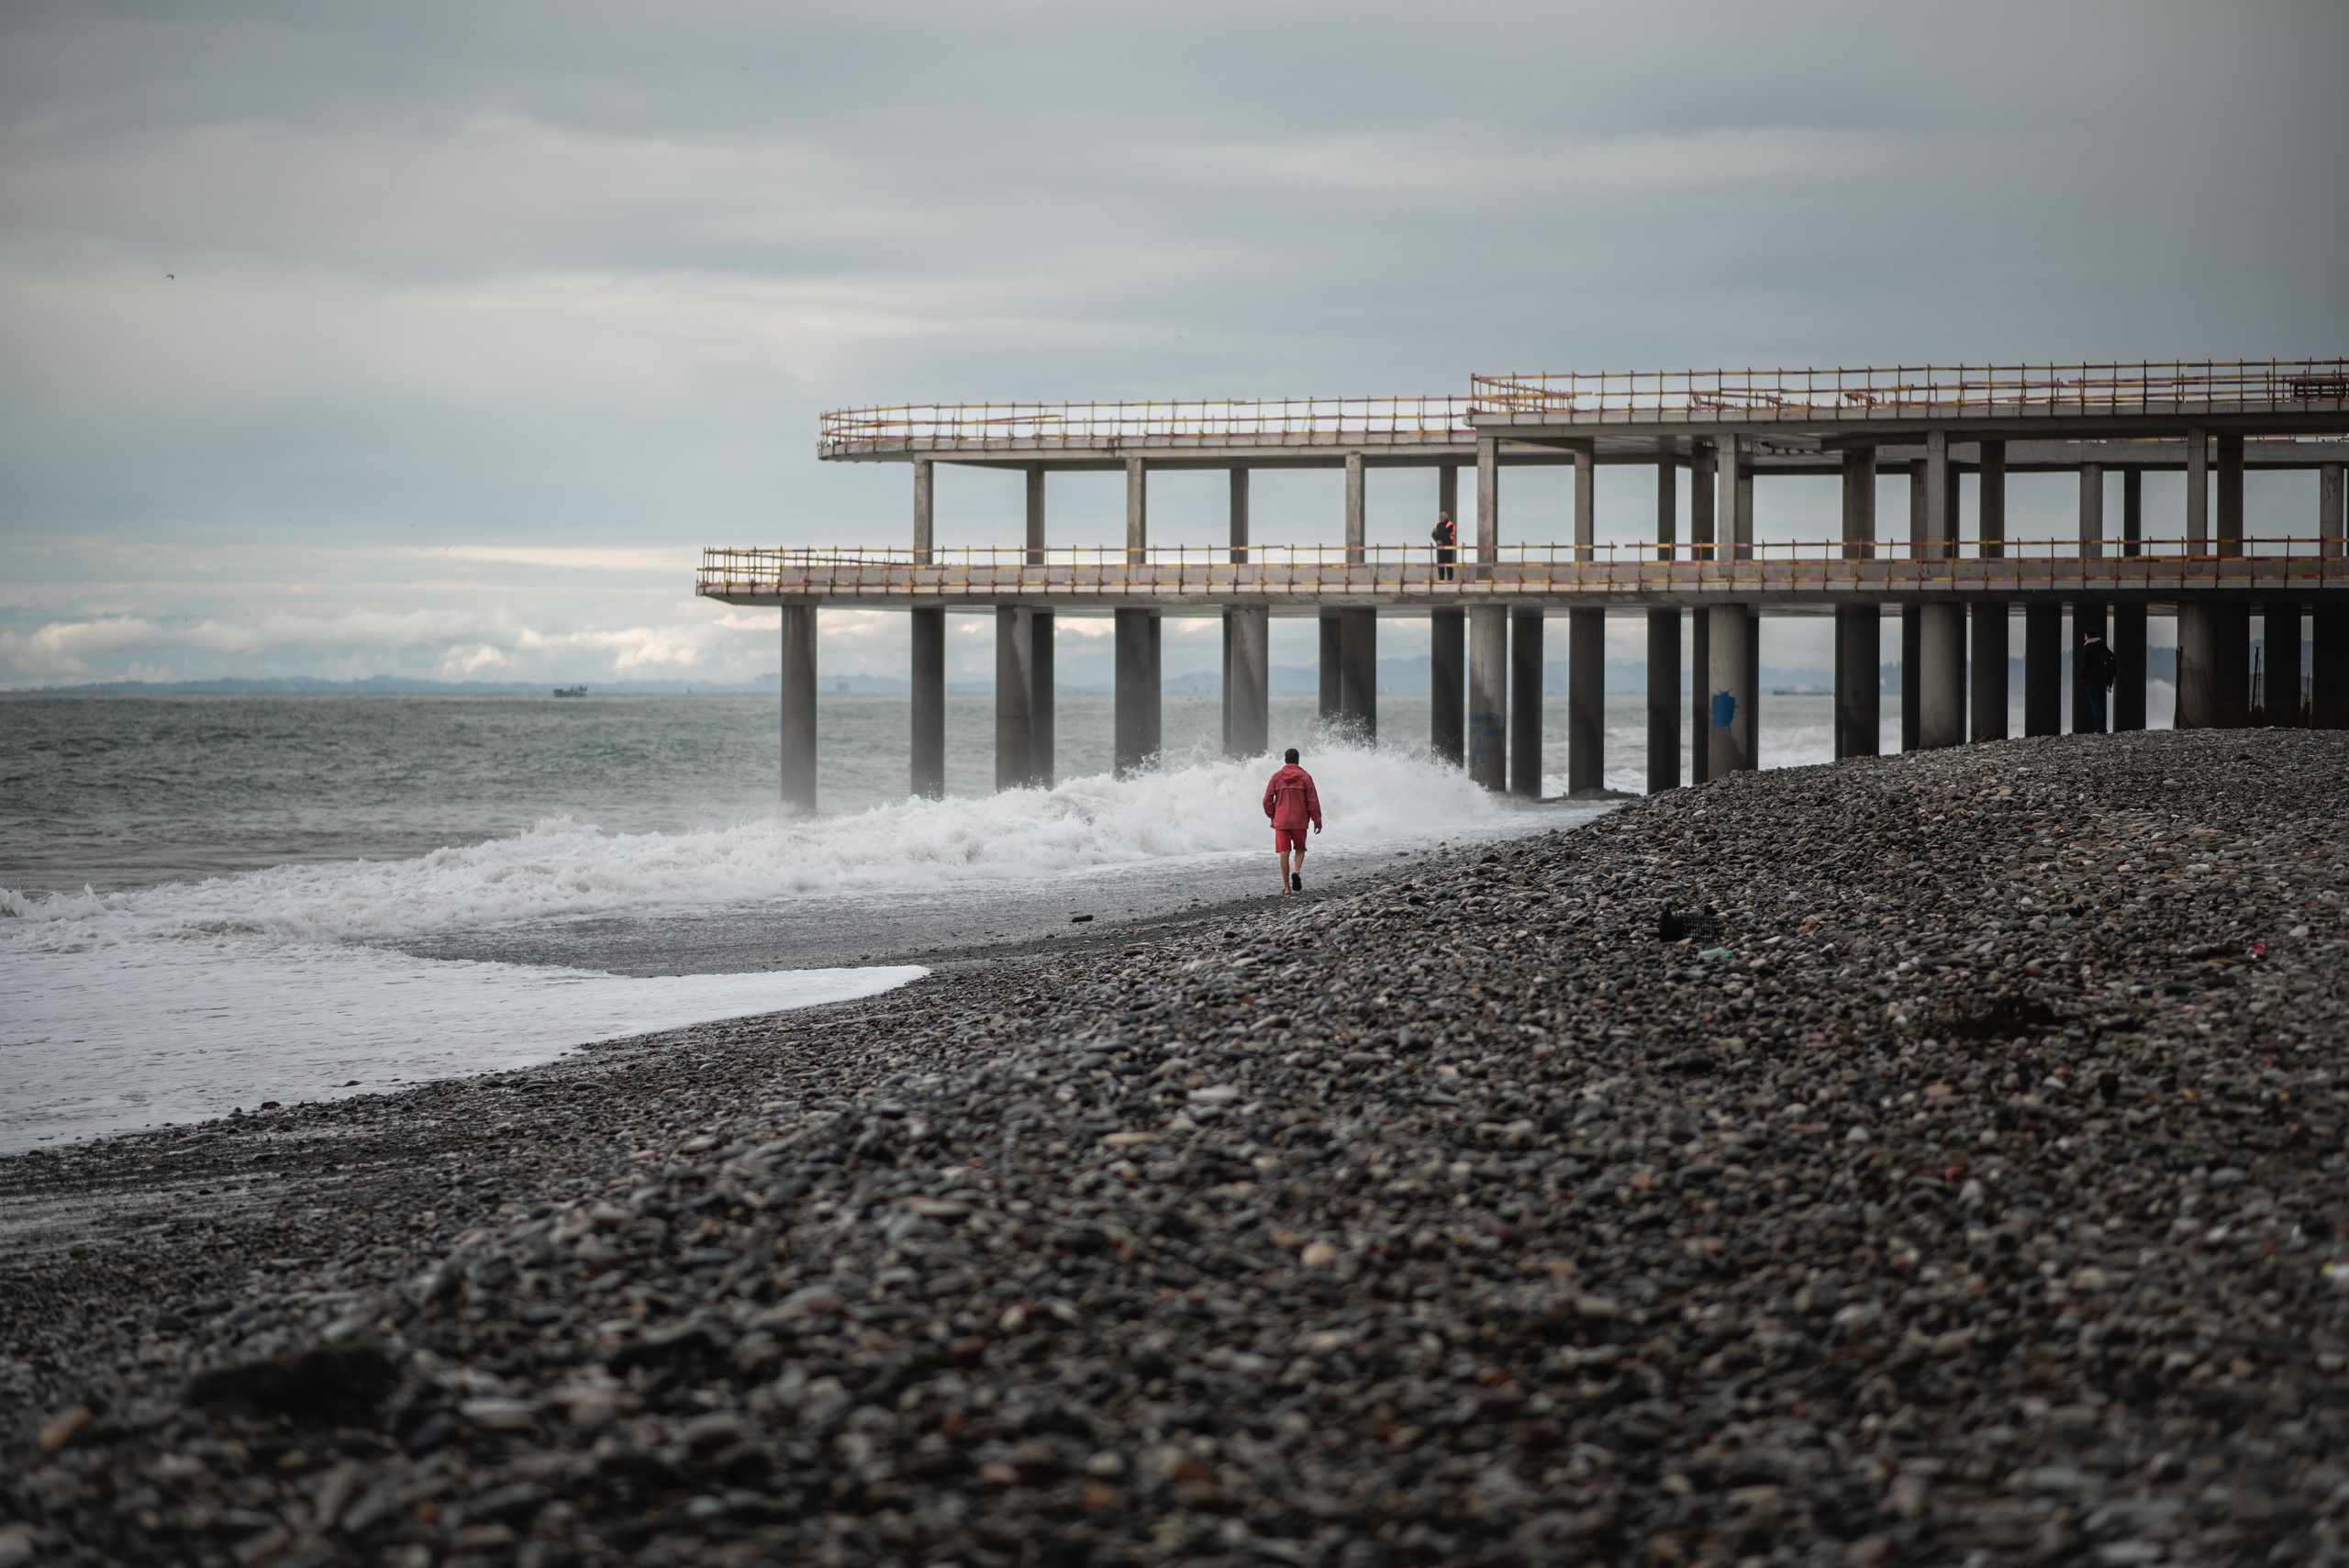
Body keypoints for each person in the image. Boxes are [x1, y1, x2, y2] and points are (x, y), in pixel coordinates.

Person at [1263, 747, 1321, 895]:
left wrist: (1273, 814)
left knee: (1284, 852)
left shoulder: (1277, 777)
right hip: (1300, 820)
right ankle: (1296, 871)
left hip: (1281, 821)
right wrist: (1317, 820)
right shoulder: (1305, 777)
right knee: (1300, 849)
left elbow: (1266, 800)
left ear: (1285, 760)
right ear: (1298, 760)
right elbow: (1312, 801)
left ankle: (1287, 888)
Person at [2080, 634, 2118, 732]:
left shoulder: (2087, 648)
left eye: (2085, 636)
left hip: (2091, 682)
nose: (2084, 638)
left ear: (2088, 636)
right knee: (2101, 704)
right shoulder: (2102, 647)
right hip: (2102, 681)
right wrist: (2109, 678)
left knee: (2095, 705)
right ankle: (2103, 727)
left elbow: (2085, 665)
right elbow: (2112, 658)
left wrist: (2082, 678)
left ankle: (2099, 727)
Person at [1431, 510, 1458, 582]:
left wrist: (1438, 535)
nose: (1440, 518)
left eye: (1441, 517)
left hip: (1448, 546)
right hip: (1440, 547)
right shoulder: (1438, 525)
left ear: (1445, 517)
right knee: (1440, 563)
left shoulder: (1450, 524)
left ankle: (1450, 579)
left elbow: (1445, 533)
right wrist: (1437, 540)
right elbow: (1433, 534)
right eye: (1439, 517)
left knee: (1448, 563)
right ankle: (1441, 579)